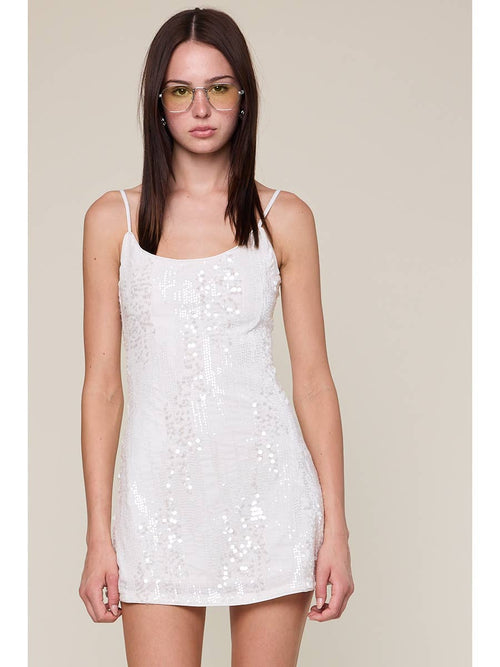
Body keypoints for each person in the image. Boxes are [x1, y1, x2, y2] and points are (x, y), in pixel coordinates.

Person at [79, 7, 354, 666]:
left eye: (219, 87)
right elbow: (103, 387)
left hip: (269, 499)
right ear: (158, 103)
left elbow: (314, 382)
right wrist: (98, 534)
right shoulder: (112, 221)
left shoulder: (285, 217)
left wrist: (336, 528)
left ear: (243, 97)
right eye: (181, 90)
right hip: (154, 505)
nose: (200, 108)